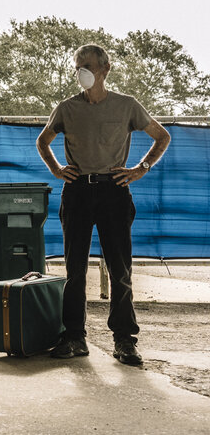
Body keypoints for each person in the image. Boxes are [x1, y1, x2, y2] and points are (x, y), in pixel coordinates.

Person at [36, 44, 171, 366]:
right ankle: (74, 337)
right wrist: (56, 169)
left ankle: (125, 341)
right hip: (78, 192)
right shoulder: (67, 108)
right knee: (74, 271)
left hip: (114, 192)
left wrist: (142, 168)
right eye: (77, 66)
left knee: (120, 270)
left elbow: (161, 135)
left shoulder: (127, 106)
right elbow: (43, 140)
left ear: (105, 69)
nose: (81, 71)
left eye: (87, 65)